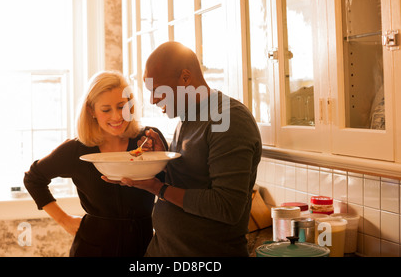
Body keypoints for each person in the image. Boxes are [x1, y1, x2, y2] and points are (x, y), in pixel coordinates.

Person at [104, 41, 262, 256]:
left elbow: (227, 206)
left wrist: (157, 188)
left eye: (158, 90)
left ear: (186, 78)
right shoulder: (188, 116)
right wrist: (166, 159)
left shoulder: (229, 120)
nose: (153, 99)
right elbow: (193, 179)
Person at [23, 70, 168, 257]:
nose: (116, 117)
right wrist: (64, 220)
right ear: (91, 111)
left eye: (121, 106)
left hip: (144, 248)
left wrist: (163, 160)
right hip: (92, 249)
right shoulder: (76, 150)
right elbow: (33, 178)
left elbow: (172, 187)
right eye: (106, 110)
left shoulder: (149, 140)